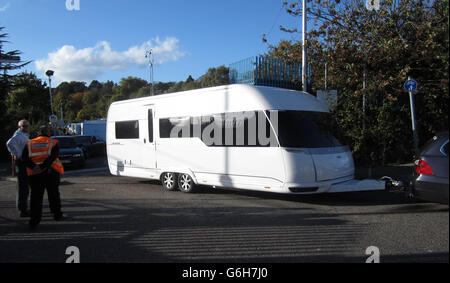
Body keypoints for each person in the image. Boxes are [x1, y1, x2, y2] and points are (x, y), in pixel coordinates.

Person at [22, 125, 66, 230]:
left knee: (35, 198)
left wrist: (34, 167)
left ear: (38, 133)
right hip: (50, 173)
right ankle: (57, 215)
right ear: (48, 132)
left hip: (34, 174)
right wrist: (42, 166)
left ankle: (34, 221)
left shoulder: (29, 143)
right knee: (53, 195)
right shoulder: (53, 143)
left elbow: (24, 158)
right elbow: (53, 157)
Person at [6, 119, 31, 217]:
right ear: (20, 127)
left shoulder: (24, 135)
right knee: (23, 186)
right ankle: (22, 209)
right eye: (24, 126)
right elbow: (9, 143)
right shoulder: (18, 135)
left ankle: (23, 207)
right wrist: (17, 154)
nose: (27, 127)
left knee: (24, 186)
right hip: (21, 162)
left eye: (27, 125)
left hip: (24, 161)